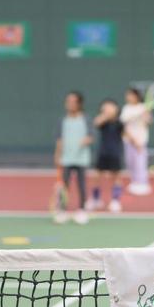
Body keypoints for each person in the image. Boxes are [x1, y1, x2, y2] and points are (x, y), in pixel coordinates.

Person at [54, 91, 93, 224]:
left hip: (81, 159)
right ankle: (62, 211)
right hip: (66, 158)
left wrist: (86, 140)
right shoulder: (63, 120)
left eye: (73, 101)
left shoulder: (85, 119)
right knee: (64, 186)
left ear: (79, 104)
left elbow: (91, 136)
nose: (69, 104)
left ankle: (81, 211)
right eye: (68, 101)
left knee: (81, 185)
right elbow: (59, 140)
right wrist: (58, 155)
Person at [87, 99, 125, 212]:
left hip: (115, 153)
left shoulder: (119, 123)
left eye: (110, 107)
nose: (108, 109)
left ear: (116, 109)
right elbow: (96, 122)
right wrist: (105, 114)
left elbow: (125, 133)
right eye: (105, 107)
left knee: (116, 178)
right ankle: (95, 199)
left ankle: (115, 201)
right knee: (96, 177)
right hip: (103, 153)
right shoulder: (103, 122)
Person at [120, 88, 152, 195]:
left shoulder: (143, 108)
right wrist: (132, 139)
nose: (128, 97)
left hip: (141, 140)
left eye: (130, 95)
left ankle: (143, 183)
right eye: (127, 95)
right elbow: (123, 124)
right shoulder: (126, 108)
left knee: (140, 163)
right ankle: (134, 182)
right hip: (128, 140)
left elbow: (148, 122)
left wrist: (147, 114)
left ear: (137, 96)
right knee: (130, 162)